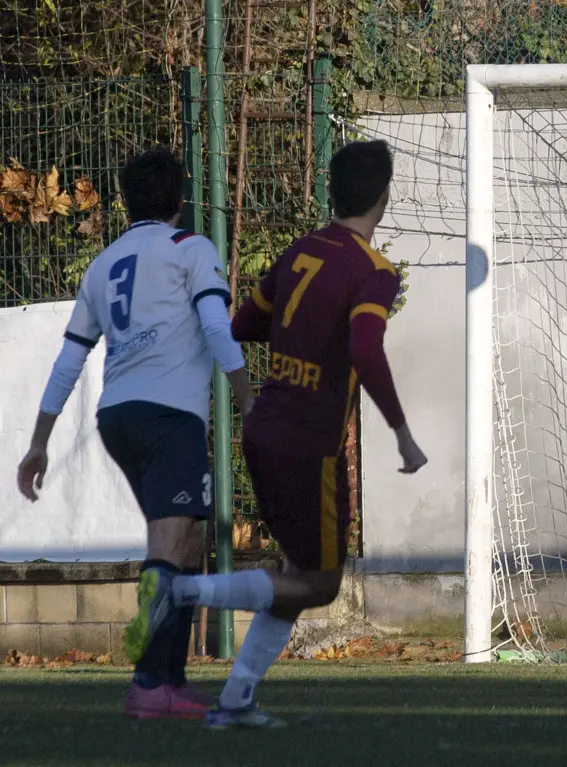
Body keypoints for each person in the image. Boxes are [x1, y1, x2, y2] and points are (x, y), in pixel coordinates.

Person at [120, 139, 427, 729]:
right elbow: (365, 345)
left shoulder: (300, 250)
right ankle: (182, 594)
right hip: (308, 443)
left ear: (332, 191)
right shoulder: (373, 269)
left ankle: (235, 701)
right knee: (320, 585)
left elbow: (244, 323)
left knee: (293, 577)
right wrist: (402, 432)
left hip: (262, 428)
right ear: (384, 197)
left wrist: (302, 334)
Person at [15, 150, 255, 719]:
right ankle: (150, 680)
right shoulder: (191, 249)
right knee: (173, 550)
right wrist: (247, 395)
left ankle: (168, 681)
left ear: (126, 203)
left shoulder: (103, 265)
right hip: (170, 416)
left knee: (182, 542)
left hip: (117, 418)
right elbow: (218, 329)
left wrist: (39, 441)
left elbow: (69, 361)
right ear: (179, 200)